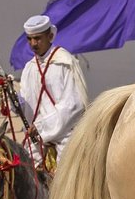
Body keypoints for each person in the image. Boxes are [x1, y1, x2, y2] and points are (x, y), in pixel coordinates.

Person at [19, 14, 89, 164]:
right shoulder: (29, 69)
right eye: (29, 39)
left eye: (37, 38)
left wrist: (42, 127)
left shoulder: (65, 62)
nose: (33, 43)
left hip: (65, 138)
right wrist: (13, 100)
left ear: (50, 36)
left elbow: (74, 104)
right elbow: (26, 106)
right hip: (36, 142)